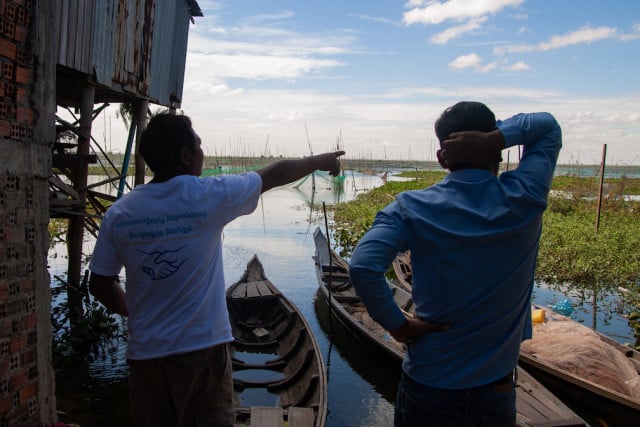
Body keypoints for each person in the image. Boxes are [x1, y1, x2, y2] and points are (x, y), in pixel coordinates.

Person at [88, 113, 344, 427]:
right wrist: (319, 160)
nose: (201, 152)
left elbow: (100, 284)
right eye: (198, 145)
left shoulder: (120, 213)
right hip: (202, 353)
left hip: (145, 358)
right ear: (185, 155)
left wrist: (137, 311)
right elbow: (275, 174)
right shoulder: (208, 196)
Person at [349, 101, 562, 426]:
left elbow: (363, 266)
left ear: (441, 158)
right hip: (495, 397)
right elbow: (547, 126)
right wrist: (497, 137)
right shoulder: (525, 196)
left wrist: (400, 326)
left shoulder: (411, 207)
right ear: (500, 153)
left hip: (427, 391)